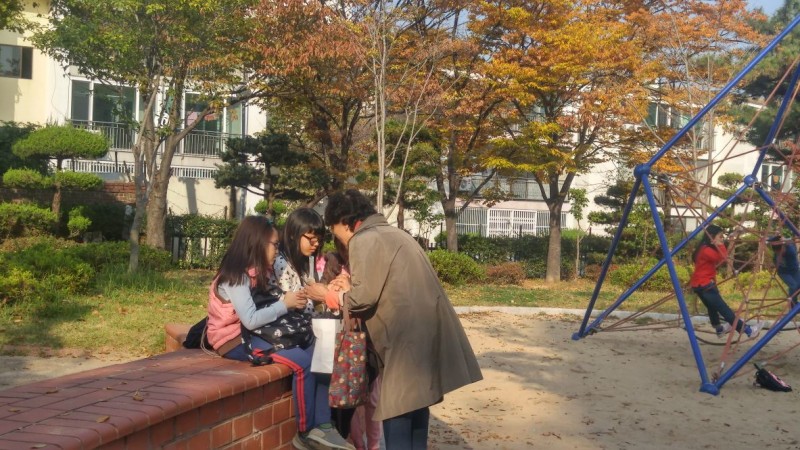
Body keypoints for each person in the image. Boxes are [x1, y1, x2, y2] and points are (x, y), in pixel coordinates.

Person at [320, 189, 483, 449]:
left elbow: (363, 298)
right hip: (424, 338)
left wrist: (330, 295)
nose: (335, 235)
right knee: (416, 411)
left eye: (333, 228)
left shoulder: (364, 238)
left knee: (396, 411)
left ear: (345, 221)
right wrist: (351, 286)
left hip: (404, 343)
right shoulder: (396, 234)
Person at [205, 215, 353, 450]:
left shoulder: (258, 271)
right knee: (303, 363)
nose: (277, 249)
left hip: (257, 333)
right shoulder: (236, 277)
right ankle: (305, 431)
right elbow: (251, 320)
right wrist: (285, 304)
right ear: (257, 243)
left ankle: (324, 424)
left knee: (318, 352)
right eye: (274, 244)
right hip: (235, 340)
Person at [690, 224, 762, 339]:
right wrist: (721, 244)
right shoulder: (706, 250)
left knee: (712, 307)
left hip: (699, 285)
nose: (721, 239)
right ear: (712, 236)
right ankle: (748, 330)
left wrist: (732, 236)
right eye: (720, 236)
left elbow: (718, 255)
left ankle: (719, 329)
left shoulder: (703, 248)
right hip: (705, 284)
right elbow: (722, 258)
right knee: (725, 310)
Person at [767, 234, 800, 306]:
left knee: (798, 286)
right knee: (794, 286)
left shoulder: (791, 251)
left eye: (780, 252)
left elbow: (790, 241)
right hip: (783, 272)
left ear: (783, 247)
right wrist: (773, 239)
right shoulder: (777, 252)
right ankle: (793, 304)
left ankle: (794, 303)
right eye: (777, 253)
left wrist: (784, 240)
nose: (779, 254)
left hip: (794, 271)